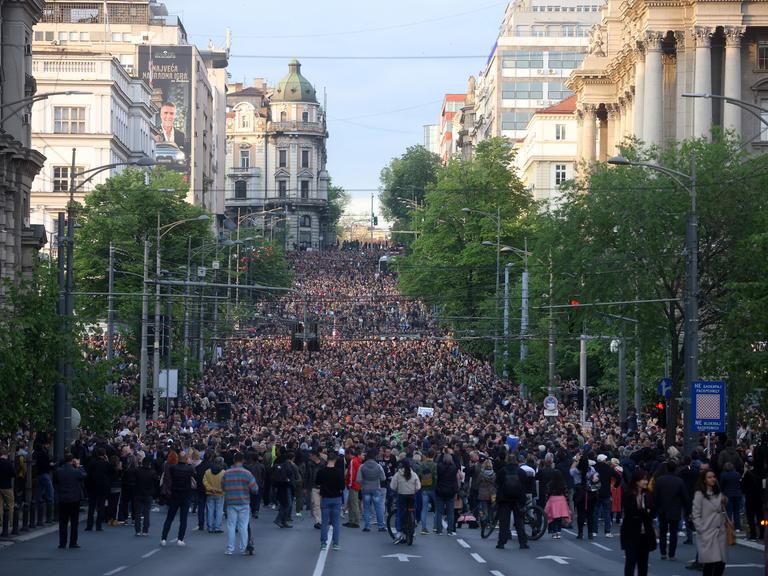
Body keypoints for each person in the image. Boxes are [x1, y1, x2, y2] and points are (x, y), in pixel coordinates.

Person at [692, 469, 728, 576]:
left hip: (720, 532)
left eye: (714, 477)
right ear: (704, 480)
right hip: (707, 533)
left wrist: (724, 500)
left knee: (721, 563)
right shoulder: (700, 494)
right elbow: (696, 515)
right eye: (709, 477)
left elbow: (723, 508)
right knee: (710, 564)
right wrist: (701, 530)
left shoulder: (718, 493)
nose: (713, 479)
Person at [620, 469, 656, 576]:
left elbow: (653, 512)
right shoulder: (628, 494)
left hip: (645, 534)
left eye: (646, 480)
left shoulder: (648, 495)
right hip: (631, 532)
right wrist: (645, 512)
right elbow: (632, 511)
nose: (645, 482)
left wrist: (644, 512)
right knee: (630, 561)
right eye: (643, 480)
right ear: (636, 481)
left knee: (643, 564)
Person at [222, 452, 258, 555]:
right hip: (244, 502)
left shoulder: (226, 473)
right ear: (243, 461)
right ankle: (243, 549)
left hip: (231, 502)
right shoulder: (247, 473)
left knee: (231, 525)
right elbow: (255, 488)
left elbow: (223, 486)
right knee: (243, 526)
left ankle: (230, 549)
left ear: (233, 460)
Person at [653, 460, 690, 560]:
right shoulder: (679, 481)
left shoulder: (660, 480)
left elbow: (655, 496)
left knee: (663, 531)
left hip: (662, 509)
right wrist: (688, 509)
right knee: (673, 532)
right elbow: (685, 497)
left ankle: (663, 552)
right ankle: (672, 554)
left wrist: (654, 509)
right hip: (675, 509)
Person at [160, 451, 195, 547]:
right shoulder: (189, 469)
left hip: (175, 494)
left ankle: (163, 538)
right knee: (183, 519)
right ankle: (180, 539)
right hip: (185, 495)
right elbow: (193, 475)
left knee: (170, 517)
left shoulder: (173, 468)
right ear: (186, 459)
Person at [495, 453, 529, 550]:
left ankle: (501, 542)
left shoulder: (502, 471)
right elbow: (524, 485)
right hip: (518, 499)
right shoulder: (521, 472)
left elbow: (497, 484)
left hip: (504, 499)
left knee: (504, 522)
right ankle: (523, 542)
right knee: (519, 522)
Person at [54, 454, 86, 549]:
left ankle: (62, 542)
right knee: (74, 522)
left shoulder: (59, 471)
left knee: (63, 522)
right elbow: (84, 475)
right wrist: (79, 467)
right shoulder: (76, 471)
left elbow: (55, 482)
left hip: (63, 498)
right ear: (72, 461)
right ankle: (73, 542)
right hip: (74, 499)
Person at [316, 450, 344, 551]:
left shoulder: (322, 471)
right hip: (336, 498)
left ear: (327, 459)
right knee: (336, 522)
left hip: (325, 498)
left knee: (324, 522)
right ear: (335, 460)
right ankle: (335, 543)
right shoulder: (339, 472)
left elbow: (317, 482)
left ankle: (323, 543)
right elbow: (342, 486)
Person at [390, 459, 421, 544]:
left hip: (401, 495)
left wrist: (397, 489)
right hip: (411, 495)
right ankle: (413, 527)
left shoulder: (398, 475)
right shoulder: (414, 474)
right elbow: (418, 486)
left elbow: (393, 486)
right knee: (412, 510)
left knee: (400, 513)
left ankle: (399, 532)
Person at [357, 448, 386, 532]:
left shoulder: (362, 466)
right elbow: (383, 478)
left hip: (365, 488)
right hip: (376, 488)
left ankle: (367, 526)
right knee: (378, 507)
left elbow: (358, 479)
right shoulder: (378, 466)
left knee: (366, 508)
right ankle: (381, 526)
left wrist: (363, 484)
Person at [571, 454, 599, 539]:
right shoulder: (592, 470)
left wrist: (576, 460)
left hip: (580, 494)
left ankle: (580, 533)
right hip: (591, 494)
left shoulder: (576, 471)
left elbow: (571, 470)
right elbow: (596, 478)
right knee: (590, 514)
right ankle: (590, 533)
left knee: (580, 514)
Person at [435, 453, 459, 536]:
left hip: (440, 490)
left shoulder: (439, 467)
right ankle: (450, 530)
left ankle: (439, 530)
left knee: (439, 512)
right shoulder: (454, 468)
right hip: (450, 491)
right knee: (450, 512)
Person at [133, 456, 157, 536]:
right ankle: (145, 530)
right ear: (149, 464)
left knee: (138, 513)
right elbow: (155, 483)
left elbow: (134, 481)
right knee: (147, 513)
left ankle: (137, 530)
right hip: (148, 494)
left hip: (138, 493)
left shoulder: (137, 471)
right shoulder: (153, 472)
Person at [544, 469, 570, 539]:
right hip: (561, 500)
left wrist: (546, 502)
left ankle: (554, 532)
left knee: (553, 517)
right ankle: (559, 532)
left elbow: (547, 494)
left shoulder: (550, 484)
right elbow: (566, 494)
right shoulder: (563, 483)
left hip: (553, 500)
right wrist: (567, 503)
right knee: (560, 518)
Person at [203, 456, 226, 533]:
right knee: (219, 510)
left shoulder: (208, 471)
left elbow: (204, 481)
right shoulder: (223, 473)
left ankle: (210, 527)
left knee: (210, 510)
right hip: (220, 493)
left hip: (210, 493)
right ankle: (217, 527)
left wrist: (210, 488)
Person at [719, 461, 742, 532]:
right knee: (736, 511)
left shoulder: (723, 475)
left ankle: (729, 526)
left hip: (728, 494)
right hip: (737, 494)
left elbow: (721, 485)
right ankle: (737, 527)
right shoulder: (737, 474)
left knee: (729, 511)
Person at [418, 449, 437, 534]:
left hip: (424, 488)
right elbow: (437, 477)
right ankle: (435, 527)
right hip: (434, 488)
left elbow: (419, 476)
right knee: (437, 509)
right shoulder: (435, 465)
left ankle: (424, 528)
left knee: (424, 509)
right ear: (434, 455)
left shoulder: (422, 465)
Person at [343, 448, 362, 529]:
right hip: (356, 484)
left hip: (353, 485)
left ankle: (356, 521)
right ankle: (351, 520)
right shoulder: (357, 461)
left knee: (353, 504)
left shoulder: (353, 461)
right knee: (352, 503)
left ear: (348, 454)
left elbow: (351, 474)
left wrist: (349, 484)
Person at [476, 459, 496, 530]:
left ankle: (484, 522)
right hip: (492, 493)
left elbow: (477, 482)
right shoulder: (494, 474)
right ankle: (490, 522)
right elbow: (495, 483)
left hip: (483, 493)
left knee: (484, 509)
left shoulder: (481, 474)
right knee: (491, 508)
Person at [0, 446, 16, 537]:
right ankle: (10, 521)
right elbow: (13, 474)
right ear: (6, 454)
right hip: (7, 486)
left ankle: (1, 521)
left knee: (0, 505)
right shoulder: (8, 463)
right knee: (10, 504)